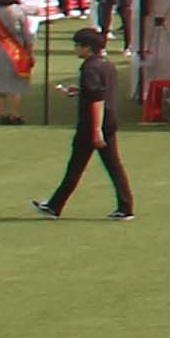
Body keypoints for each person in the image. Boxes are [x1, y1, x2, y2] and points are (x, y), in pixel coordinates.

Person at [34, 22, 133, 218]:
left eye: (78, 45)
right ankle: (125, 206)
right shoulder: (107, 64)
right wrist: (79, 91)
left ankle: (54, 206)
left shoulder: (89, 67)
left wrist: (96, 130)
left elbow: (97, 100)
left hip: (92, 123)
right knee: (113, 165)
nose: (75, 49)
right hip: (109, 119)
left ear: (87, 47)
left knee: (76, 167)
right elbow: (99, 92)